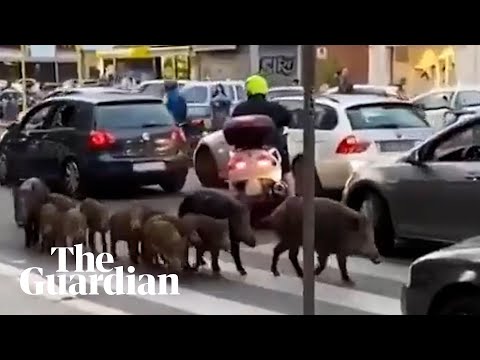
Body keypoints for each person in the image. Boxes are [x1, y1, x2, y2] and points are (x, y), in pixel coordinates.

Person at [232, 74, 295, 195]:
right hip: (271, 150)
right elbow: (288, 119)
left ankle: (234, 199)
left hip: (244, 153)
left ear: (248, 90)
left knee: (233, 179)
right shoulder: (275, 108)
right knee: (287, 173)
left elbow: (232, 127)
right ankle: (293, 199)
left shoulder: (239, 109)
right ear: (264, 89)